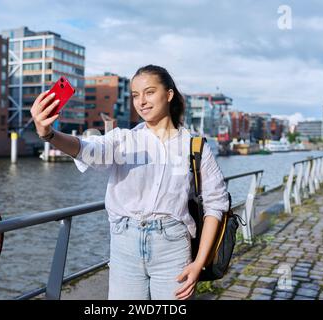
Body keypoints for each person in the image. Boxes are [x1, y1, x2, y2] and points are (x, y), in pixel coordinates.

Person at [30, 65, 229, 300]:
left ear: (169, 94)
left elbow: (216, 205)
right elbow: (87, 149)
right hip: (125, 245)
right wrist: (48, 134)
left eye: (149, 92)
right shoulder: (123, 140)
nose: (141, 101)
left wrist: (199, 263)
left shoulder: (193, 146)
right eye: (135, 95)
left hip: (172, 247)